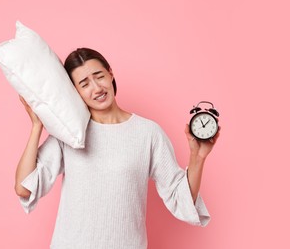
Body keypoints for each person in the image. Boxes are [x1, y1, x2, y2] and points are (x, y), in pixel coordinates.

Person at [15, 48, 220, 249]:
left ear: (110, 73)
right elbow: (24, 188)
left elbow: (180, 197)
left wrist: (198, 157)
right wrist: (36, 127)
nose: (97, 88)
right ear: (75, 91)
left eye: (99, 76)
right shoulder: (70, 134)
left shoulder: (148, 132)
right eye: (84, 84)